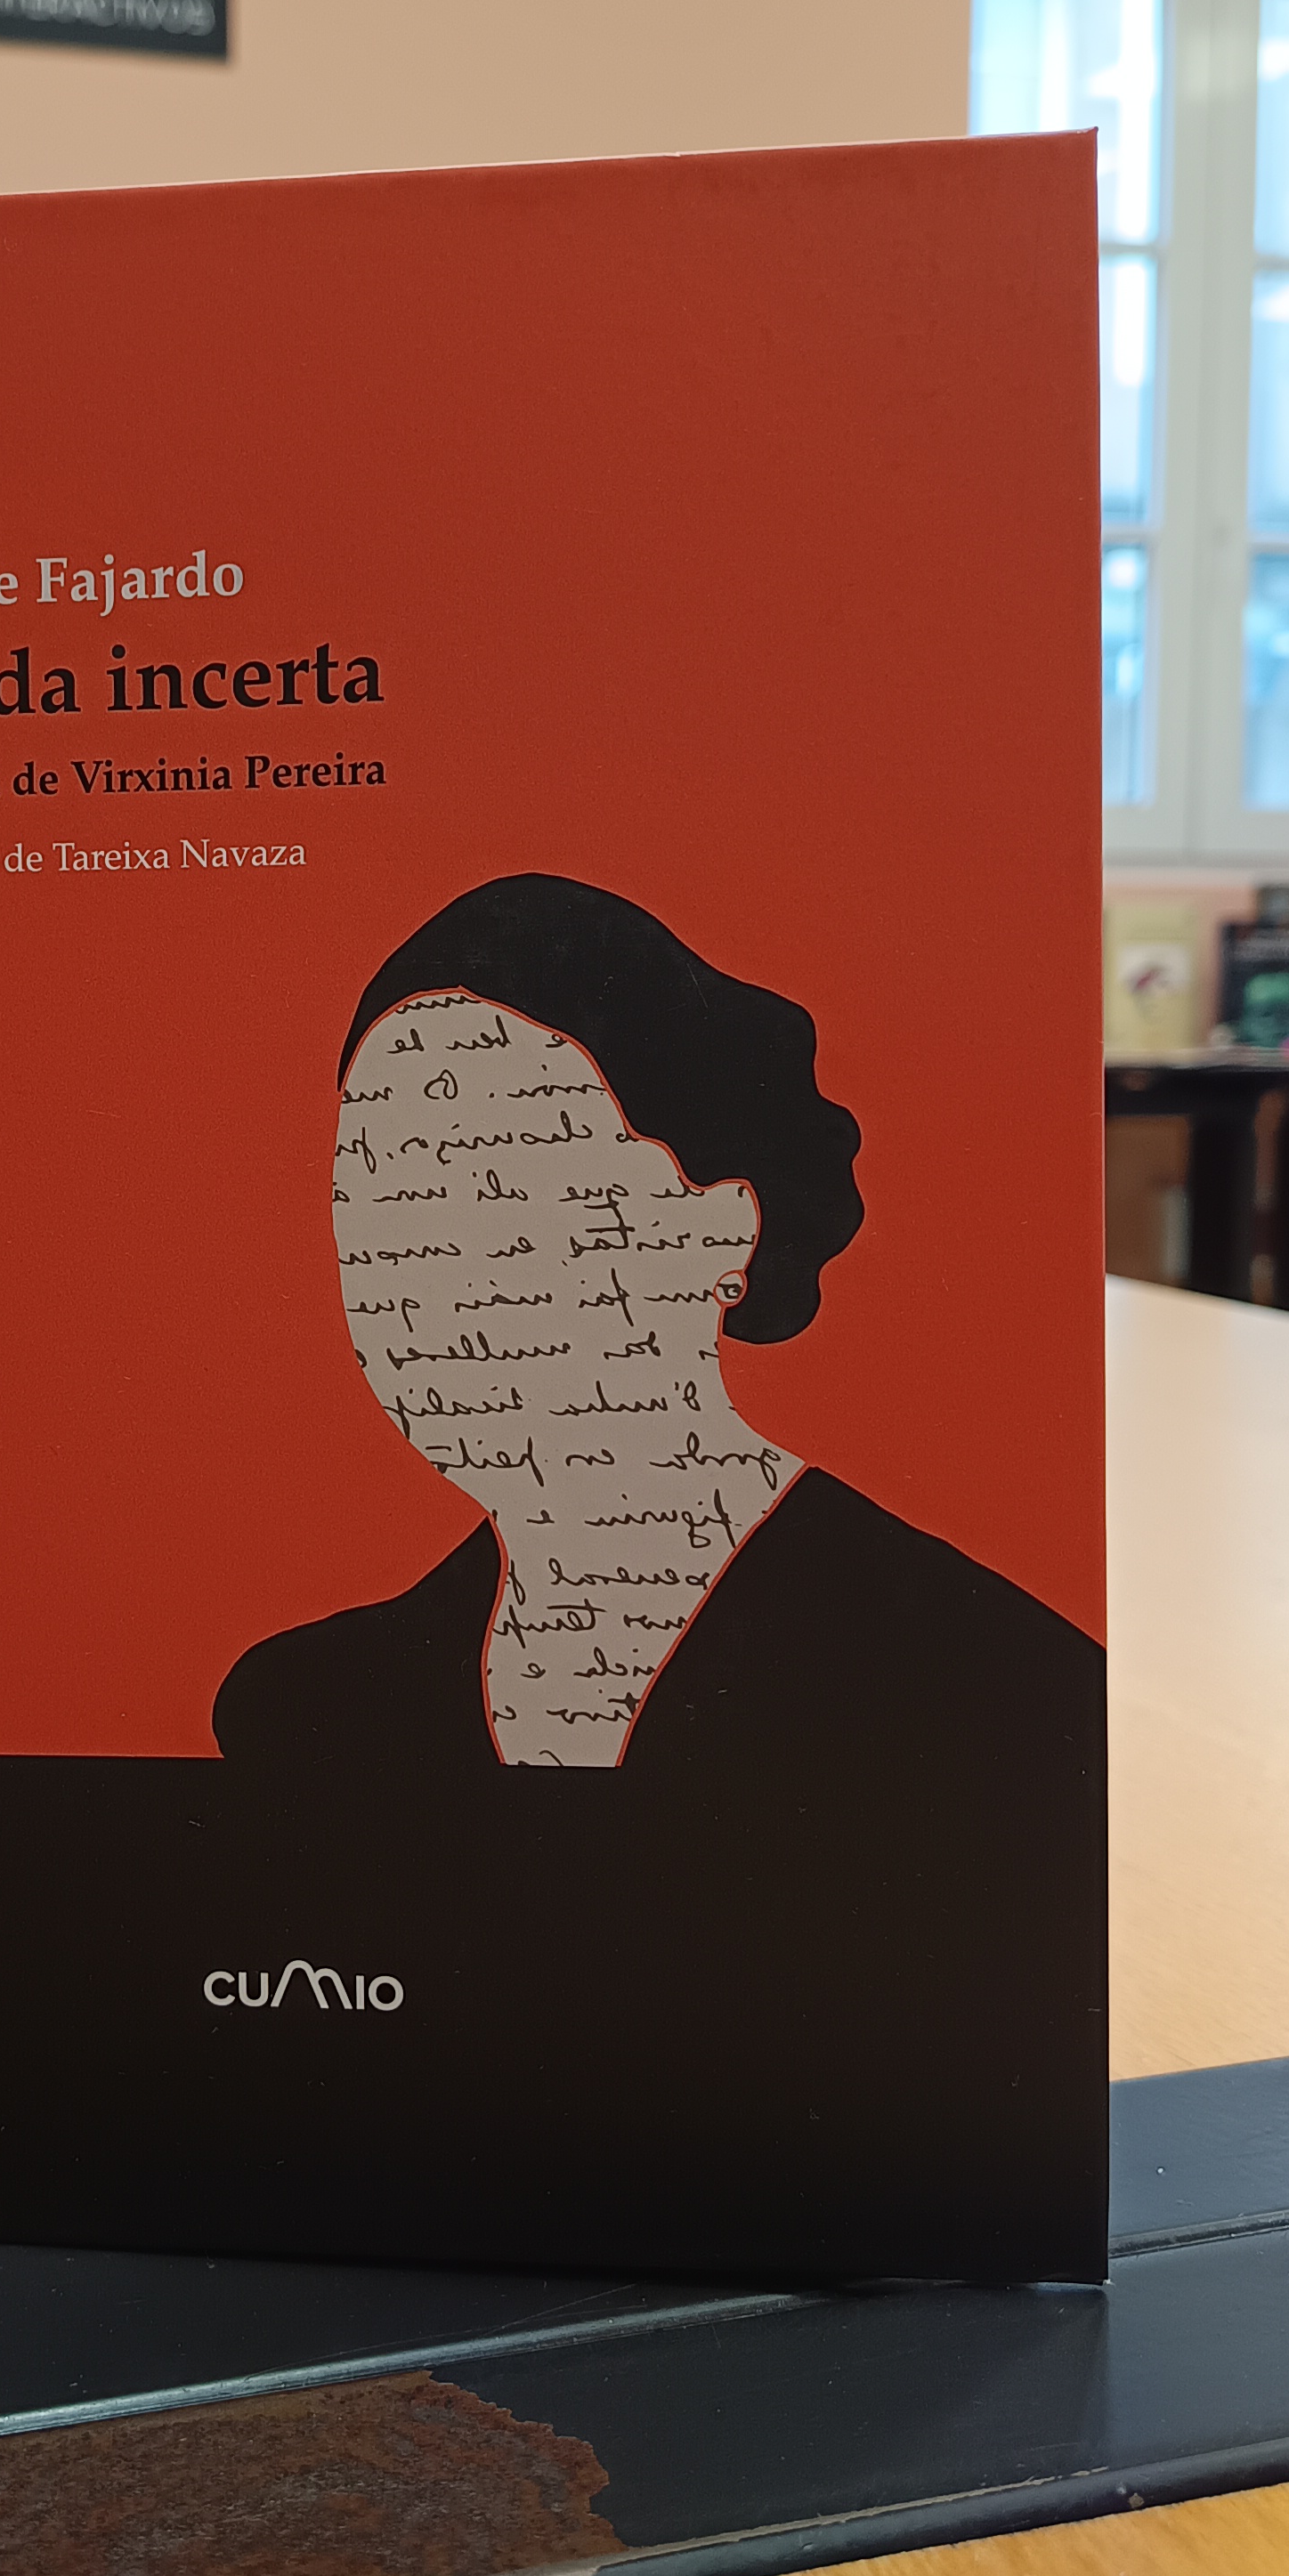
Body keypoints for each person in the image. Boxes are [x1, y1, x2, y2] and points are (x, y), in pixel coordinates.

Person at [211, 876, 1107, 2282]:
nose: (431, 1280)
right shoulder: (309, 1707)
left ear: (721, 1226)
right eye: (380, 1203)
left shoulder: (994, 1694)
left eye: (511, 1190)